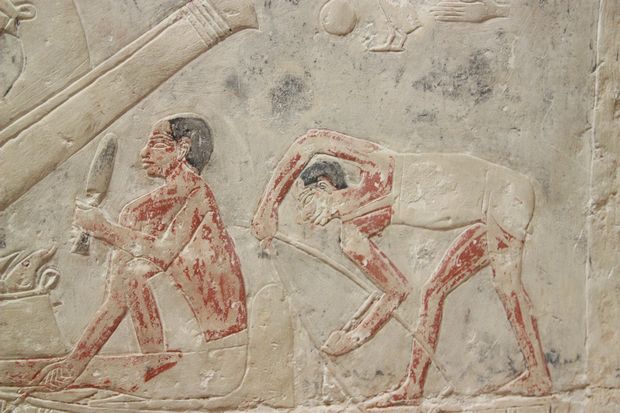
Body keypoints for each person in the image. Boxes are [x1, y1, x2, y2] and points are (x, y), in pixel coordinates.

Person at [251, 128, 551, 407]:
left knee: (506, 285)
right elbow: (396, 291)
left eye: (304, 201)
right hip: (489, 209)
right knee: (433, 292)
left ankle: (537, 376)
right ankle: (413, 387)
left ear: (324, 186)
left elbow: (312, 140)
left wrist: (269, 205)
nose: (302, 216)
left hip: (504, 193)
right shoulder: (353, 237)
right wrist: (354, 337)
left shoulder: (376, 168)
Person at [36, 116, 247, 390]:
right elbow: (116, 301)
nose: (143, 153)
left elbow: (164, 252)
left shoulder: (198, 194)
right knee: (131, 272)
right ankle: (154, 361)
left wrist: (103, 229)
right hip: (186, 323)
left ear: (182, 149)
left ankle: (157, 362)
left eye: (155, 144)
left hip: (217, 332)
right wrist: (73, 364)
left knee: (136, 272)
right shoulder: (136, 212)